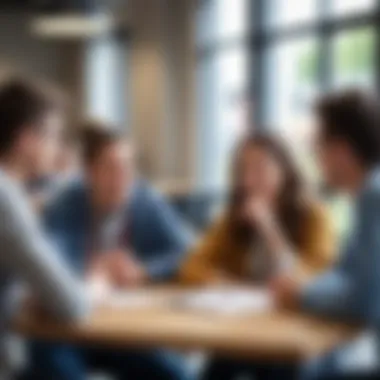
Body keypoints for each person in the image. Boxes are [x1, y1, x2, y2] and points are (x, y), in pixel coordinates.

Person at [26, 121, 192, 380]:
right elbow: (48, 262)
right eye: (111, 167)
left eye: (128, 167)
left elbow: (189, 255)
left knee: (177, 374)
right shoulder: (66, 203)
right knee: (47, 356)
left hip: (127, 330)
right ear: (89, 171)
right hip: (71, 329)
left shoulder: (145, 201)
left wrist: (143, 271)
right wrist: (92, 269)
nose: (122, 177)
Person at [180, 133, 335, 380]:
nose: (250, 179)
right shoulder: (233, 218)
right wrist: (224, 284)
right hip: (246, 327)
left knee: (279, 368)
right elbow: (191, 265)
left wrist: (270, 228)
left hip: (294, 331)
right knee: (215, 367)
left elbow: (315, 277)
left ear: (284, 170)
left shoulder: (315, 216)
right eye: (244, 169)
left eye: (260, 167)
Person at [272, 90, 380, 380]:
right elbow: (345, 274)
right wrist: (304, 287)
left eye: (318, 146)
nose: (316, 157)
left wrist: (302, 293)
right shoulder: (366, 197)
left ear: (341, 149)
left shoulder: (373, 196)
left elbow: (366, 301)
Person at [0, 78, 88, 377]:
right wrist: (97, 287)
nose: (57, 148)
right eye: (52, 136)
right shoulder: (5, 198)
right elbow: (71, 303)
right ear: (26, 140)